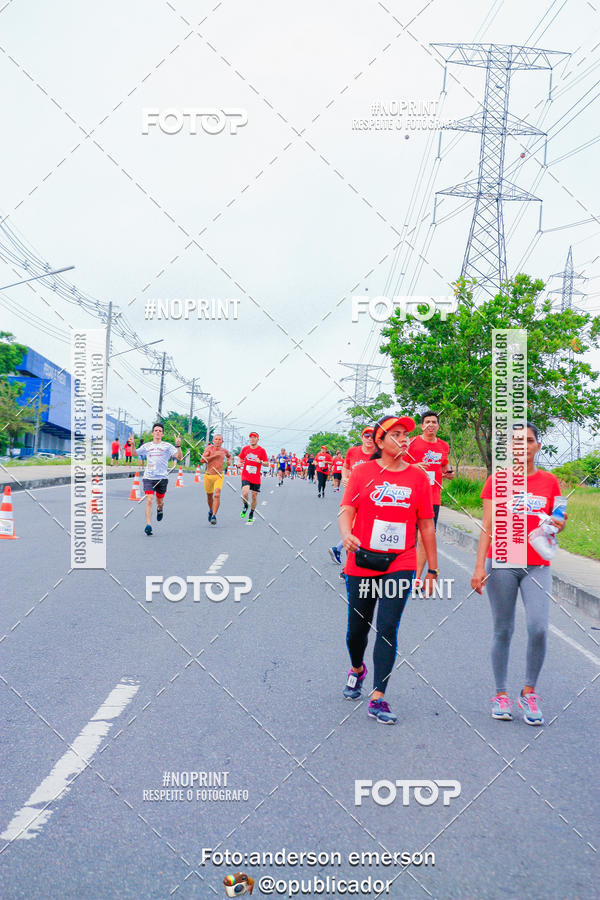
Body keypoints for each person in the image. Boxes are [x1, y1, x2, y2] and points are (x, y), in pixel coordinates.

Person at [339, 415, 438, 724]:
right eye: (395, 434)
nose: (404, 439)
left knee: (387, 627)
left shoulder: (418, 478)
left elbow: (426, 526)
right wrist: (346, 534)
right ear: (380, 442)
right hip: (362, 561)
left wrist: (432, 570)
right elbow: (346, 511)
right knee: (357, 631)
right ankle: (357, 669)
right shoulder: (362, 472)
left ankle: (379, 696)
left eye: (406, 434)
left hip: (401, 562)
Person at [471, 423, 566, 726]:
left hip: (537, 564)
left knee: (539, 627)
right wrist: (477, 568)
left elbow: (560, 516)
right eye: (516, 441)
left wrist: (558, 522)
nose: (522, 445)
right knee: (504, 629)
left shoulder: (550, 482)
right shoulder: (496, 481)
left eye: (528, 440)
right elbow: (487, 524)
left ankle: (529, 691)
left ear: (538, 446)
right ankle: (501, 693)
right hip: (501, 562)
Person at [406, 411, 454, 581]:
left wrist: (448, 472)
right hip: (410, 496)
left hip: (432, 497)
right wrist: (414, 466)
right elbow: (399, 463)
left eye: (434, 422)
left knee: (425, 537)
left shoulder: (443, 446)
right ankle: (405, 570)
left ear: (438, 426)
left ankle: (416, 578)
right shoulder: (411, 443)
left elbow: (444, 465)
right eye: (427, 422)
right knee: (409, 536)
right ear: (422, 425)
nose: (431, 424)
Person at [329, 427, 375, 564]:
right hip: (353, 494)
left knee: (361, 528)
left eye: (372, 436)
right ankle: (347, 565)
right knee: (352, 526)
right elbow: (346, 466)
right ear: (362, 437)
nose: (369, 438)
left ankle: (338, 550)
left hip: (371, 496)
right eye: (366, 435)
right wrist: (344, 477)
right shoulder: (353, 451)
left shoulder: (379, 454)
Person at [136, 425, 182, 535]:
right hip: (148, 477)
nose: (157, 432)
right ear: (152, 433)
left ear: (162, 434)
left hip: (162, 478)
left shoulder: (167, 446)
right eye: (155, 430)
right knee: (149, 500)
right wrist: (132, 444)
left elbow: (179, 457)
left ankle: (160, 508)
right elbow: (134, 453)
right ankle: (148, 525)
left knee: (159, 502)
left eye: (160, 431)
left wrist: (178, 445)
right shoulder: (147, 446)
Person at [239, 432, 269, 523]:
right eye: (251, 437)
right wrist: (240, 462)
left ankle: (251, 512)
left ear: (257, 439)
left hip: (255, 477)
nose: (252, 439)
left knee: (254, 496)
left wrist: (260, 461)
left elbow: (267, 464)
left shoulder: (261, 450)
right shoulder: (245, 449)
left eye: (254, 437)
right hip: (246, 475)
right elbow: (240, 458)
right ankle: (245, 506)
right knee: (245, 493)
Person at [201, 435, 231, 525]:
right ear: (213, 440)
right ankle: (210, 510)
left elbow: (229, 456)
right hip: (209, 476)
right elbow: (202, 460)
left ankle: (214, 515)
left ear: (222, 441)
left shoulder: (224, 451)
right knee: (209, 496)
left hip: (219, 476)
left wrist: (229, 461)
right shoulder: (208, 449)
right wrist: (214, 456)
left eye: (220, 439)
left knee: (217, 495)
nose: (218, 441)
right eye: (216, 439)